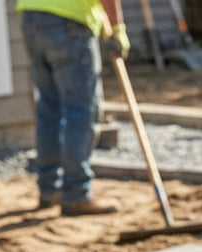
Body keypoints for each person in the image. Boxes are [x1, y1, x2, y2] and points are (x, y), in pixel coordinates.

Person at [16, 0, 130, 215]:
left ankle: (50, 189)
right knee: (80, 110)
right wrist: (117, 29)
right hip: (69, 22)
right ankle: (76, 193)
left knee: (49, 108)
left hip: (32, 16)